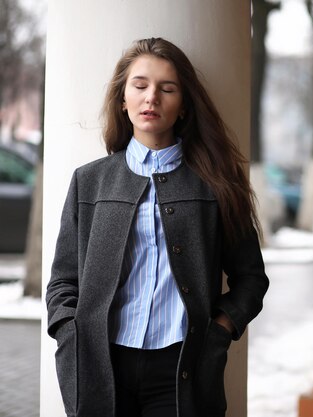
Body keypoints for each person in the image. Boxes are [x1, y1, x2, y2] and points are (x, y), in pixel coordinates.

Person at [46, 37, 269, 417]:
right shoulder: (90, 181)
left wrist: (218, 332)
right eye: (140, 85)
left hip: (182, 368)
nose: (152, 98)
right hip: (103, 366)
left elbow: (251, 278)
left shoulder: (215, 184)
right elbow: (64, 280)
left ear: (182, 106)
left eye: (167, 89)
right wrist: (70, 330)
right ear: (123, 99)